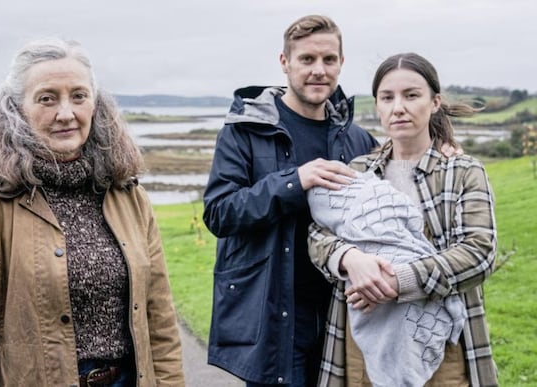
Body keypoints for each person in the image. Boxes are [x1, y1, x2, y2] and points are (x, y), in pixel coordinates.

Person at [0, 37, 185, 386]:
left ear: (95, 105)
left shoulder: (130, 197)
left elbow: (159, 318)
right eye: (47, 98)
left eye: (79, 96)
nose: (66, 113)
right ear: (16, 108)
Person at [202, 15, 378, 386]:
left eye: (329, 60)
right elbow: (219, 213)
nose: (319, 70)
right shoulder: (245, 131)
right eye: (307, 60)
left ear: (341, 64)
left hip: (341, 314)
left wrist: (440, 147)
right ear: (285, 63)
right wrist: (295, 181)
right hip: (274, 314)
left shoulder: (358, 139)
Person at [308, 52, 497, 386]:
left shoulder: (463, 172)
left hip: (437, 347)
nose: (398, 107)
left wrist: (397, 282)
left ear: (435, 101)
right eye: (387, 97)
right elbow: (317, 235)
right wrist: (349, 257)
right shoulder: (359, 171)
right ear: (377, 105)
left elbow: (479, 253)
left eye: (411, 95)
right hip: (361, 342)